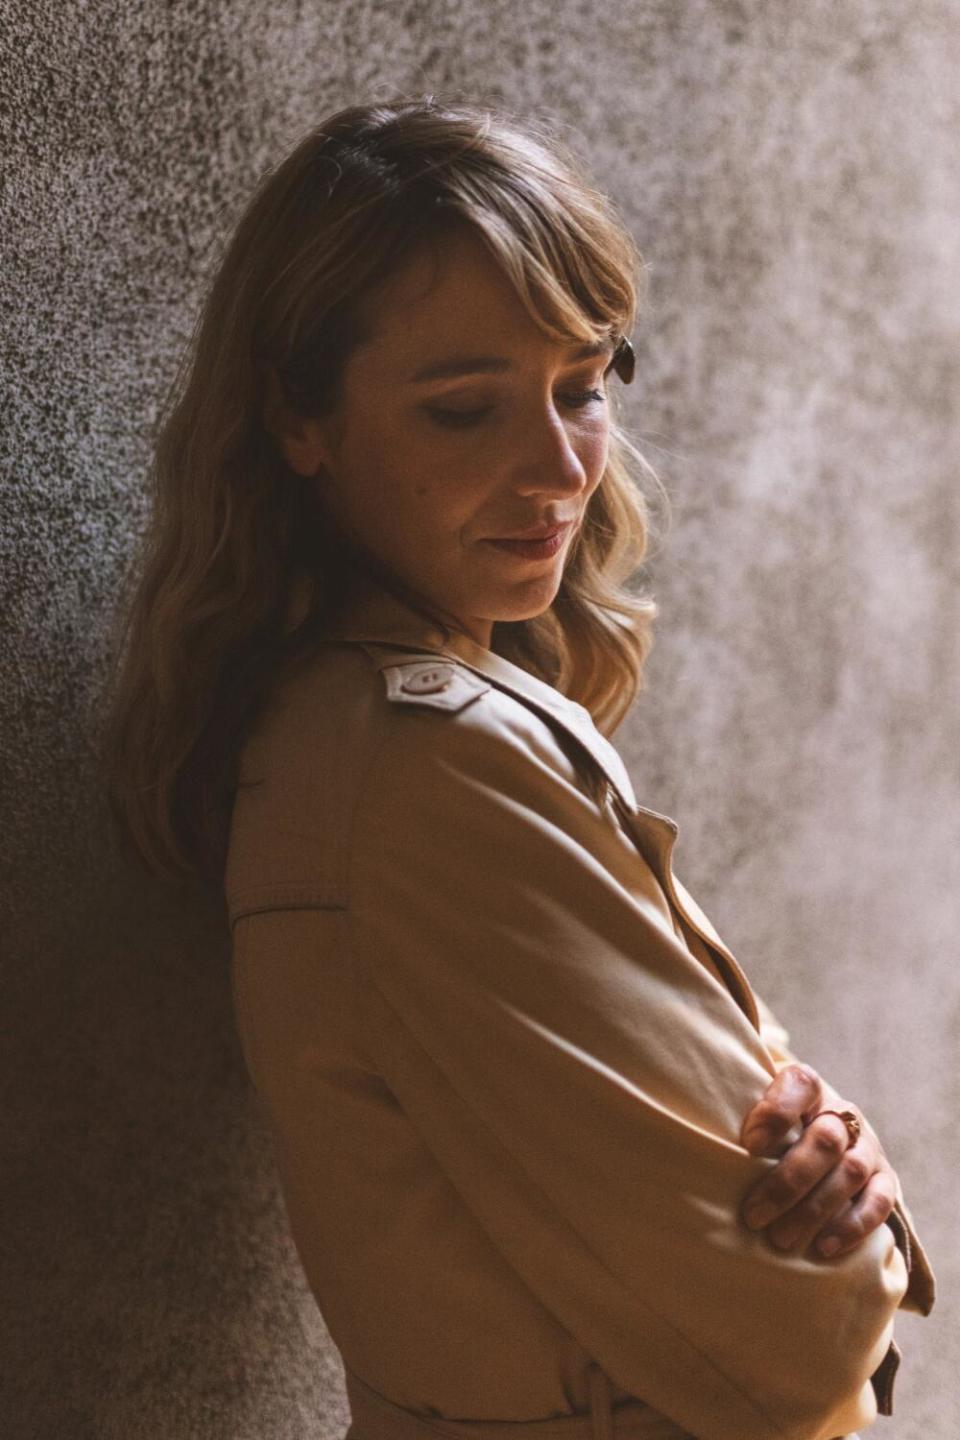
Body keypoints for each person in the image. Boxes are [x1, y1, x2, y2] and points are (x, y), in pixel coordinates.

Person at [100, 97, 935, 1440]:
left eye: (581, 386)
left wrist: (832, 1152)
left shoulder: (381, 730)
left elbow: (768, 1154)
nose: (557, 470)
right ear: (300, 421)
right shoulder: (425, 765)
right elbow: (797, 1336)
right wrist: (870, 1237)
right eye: (462, 410)